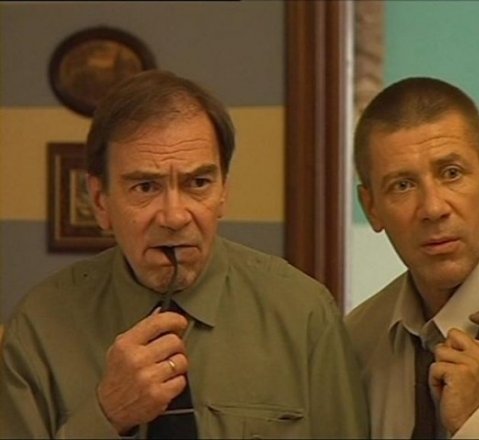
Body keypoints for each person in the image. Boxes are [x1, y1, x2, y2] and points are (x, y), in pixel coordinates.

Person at [0, 70, 368, 438]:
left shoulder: (303, 314)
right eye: (146, 187)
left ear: (223, 192)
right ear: (100, 202)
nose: (175, 217)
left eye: (198, 183)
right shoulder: (40, 325)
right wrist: (107, 414)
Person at [346, 77, 479, 438]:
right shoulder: (358, 341)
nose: (433, 208)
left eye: (451, 174)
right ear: (372, 207)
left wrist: (472, 422)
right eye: (403, 185)